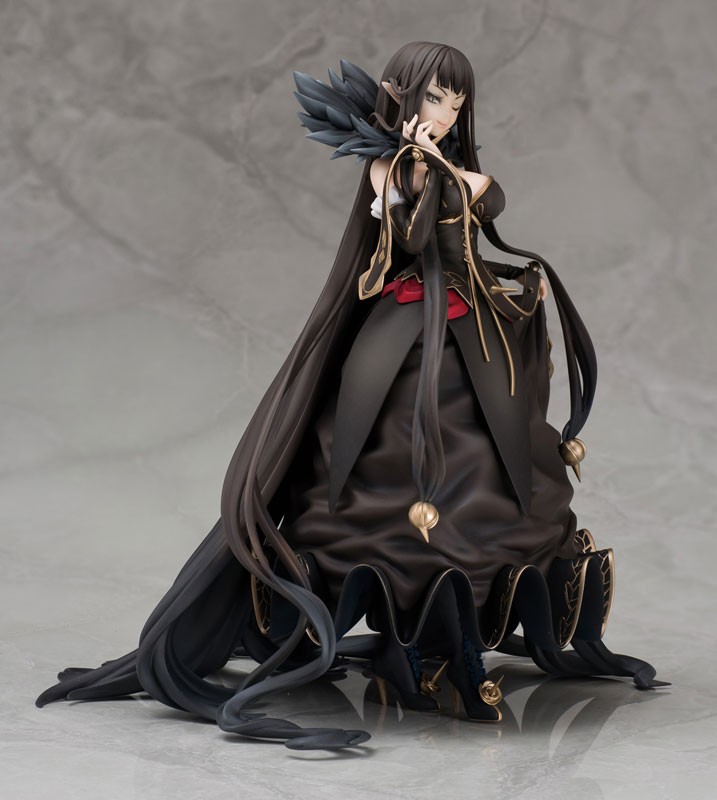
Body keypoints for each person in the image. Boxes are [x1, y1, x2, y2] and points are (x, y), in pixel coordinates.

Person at [36, 41, 667, 751]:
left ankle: (458, 632)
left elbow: (485, 197)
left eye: (457, 102)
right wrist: (417, 165)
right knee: (386, 448)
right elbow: (411, 235)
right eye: (434, 97)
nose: (446, 112)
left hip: (477, 324)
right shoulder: (387, 167)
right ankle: (405, 638)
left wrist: (442, 167)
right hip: (406, 327)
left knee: (505, 450)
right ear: (402, 96)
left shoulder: (441, 162)